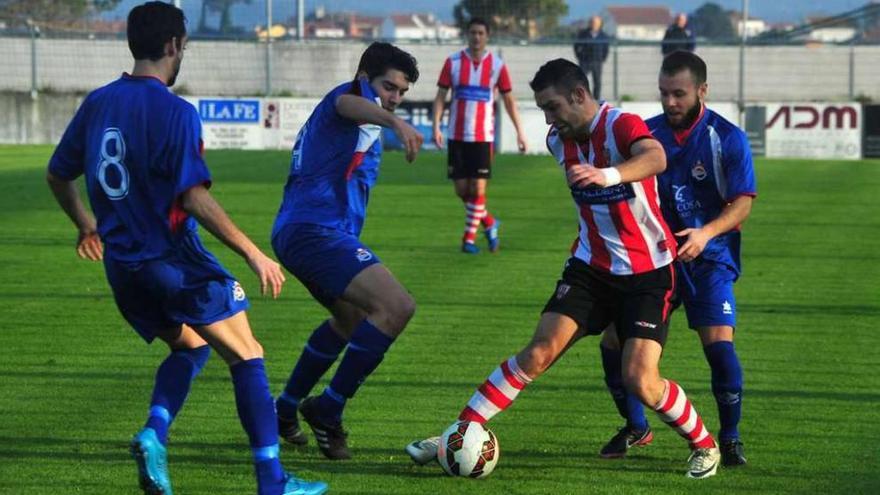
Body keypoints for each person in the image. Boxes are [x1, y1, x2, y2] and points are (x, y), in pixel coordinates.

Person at [44, 3, 327, 495]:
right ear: (174, 46)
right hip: (173, 261)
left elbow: (57, 174)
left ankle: (155, 432)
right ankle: (273, 482)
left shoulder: (98, 102)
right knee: (248, 355)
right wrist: (253, 253)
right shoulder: (176, 112)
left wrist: (86, 226)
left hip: (123, 269)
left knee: (191, 347)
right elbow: (193, 197)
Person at [406, 58, 722, 479]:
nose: (548, 119)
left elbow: (656, 156)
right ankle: (460, 431)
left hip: (648, 272)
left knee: (640, 379)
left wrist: (607, 175)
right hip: (590, 267)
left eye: (552, 107)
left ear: (578, 96)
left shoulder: (620, 124)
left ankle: (705, 445)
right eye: (542, 109)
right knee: (537, 353)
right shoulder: (559, 139)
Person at [597, 51, 755, 467]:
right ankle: (636, 426)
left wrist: (705, 233)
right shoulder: (646, 137)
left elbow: (742, 204)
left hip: (709, 258)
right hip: (653, 261)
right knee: (613, 342)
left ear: (702, 90)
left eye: (679, 94)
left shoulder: (728, 138)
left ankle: (731, 437)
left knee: (719, 349)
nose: (670, 102)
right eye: (665, 93)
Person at [271, 42, 424, 460]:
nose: (393, 97)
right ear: (363, 77)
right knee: (396, 307)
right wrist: (395, 121)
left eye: (400, 93)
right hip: (314, 232)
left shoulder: (360, 117)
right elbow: (348, 104)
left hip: (306, 231)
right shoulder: (347, 100)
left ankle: (283, 410)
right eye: (388, 87)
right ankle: (329, 407)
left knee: (351, 317)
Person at [434, 17, 528, 254]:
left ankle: (468, 239)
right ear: (467, 35)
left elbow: (508, 100)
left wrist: (520, 132)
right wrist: (436, 126)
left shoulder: (497, 65)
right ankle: (488, 222)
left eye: (481, 33)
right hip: (456, 135)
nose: (476, 37)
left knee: (478, 189)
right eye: (473, 32)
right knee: (462, 191)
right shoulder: (453, 63)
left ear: (487, 36)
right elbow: (440, 97)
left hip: (483, 137)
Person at [573, 15, 611, 101]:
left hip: (597, 62)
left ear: (600, 24)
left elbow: (606, 49)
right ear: (590, 23)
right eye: (592, 22)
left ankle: (596, 100)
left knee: (597, 82)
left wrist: (602, 59)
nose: (594, 24)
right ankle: (581, 99)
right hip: (585, 61)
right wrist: (580, 57)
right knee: (580, 81)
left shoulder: (603, 36)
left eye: (596, 23)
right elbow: (576, 46)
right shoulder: (583, 34)